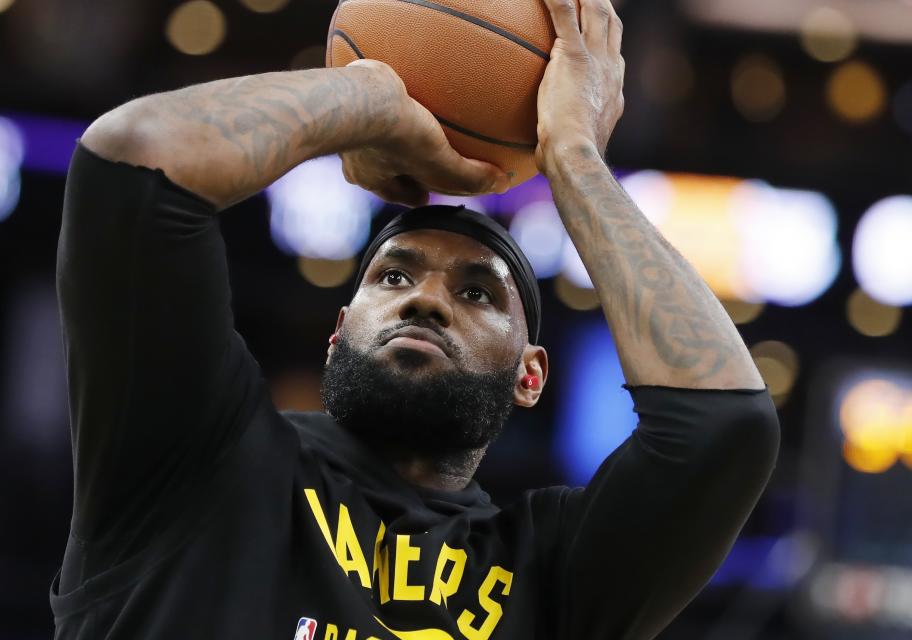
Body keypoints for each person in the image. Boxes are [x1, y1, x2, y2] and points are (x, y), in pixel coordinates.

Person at [50, 0, 779, 638]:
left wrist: (574, 158)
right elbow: (136, 160)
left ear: (531, 375)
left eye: (477, 293)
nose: (425, 297)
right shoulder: (199, 455)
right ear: (338, 331)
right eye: (392, 275)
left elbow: (726, 430)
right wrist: (369, 95)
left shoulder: (550, 574)